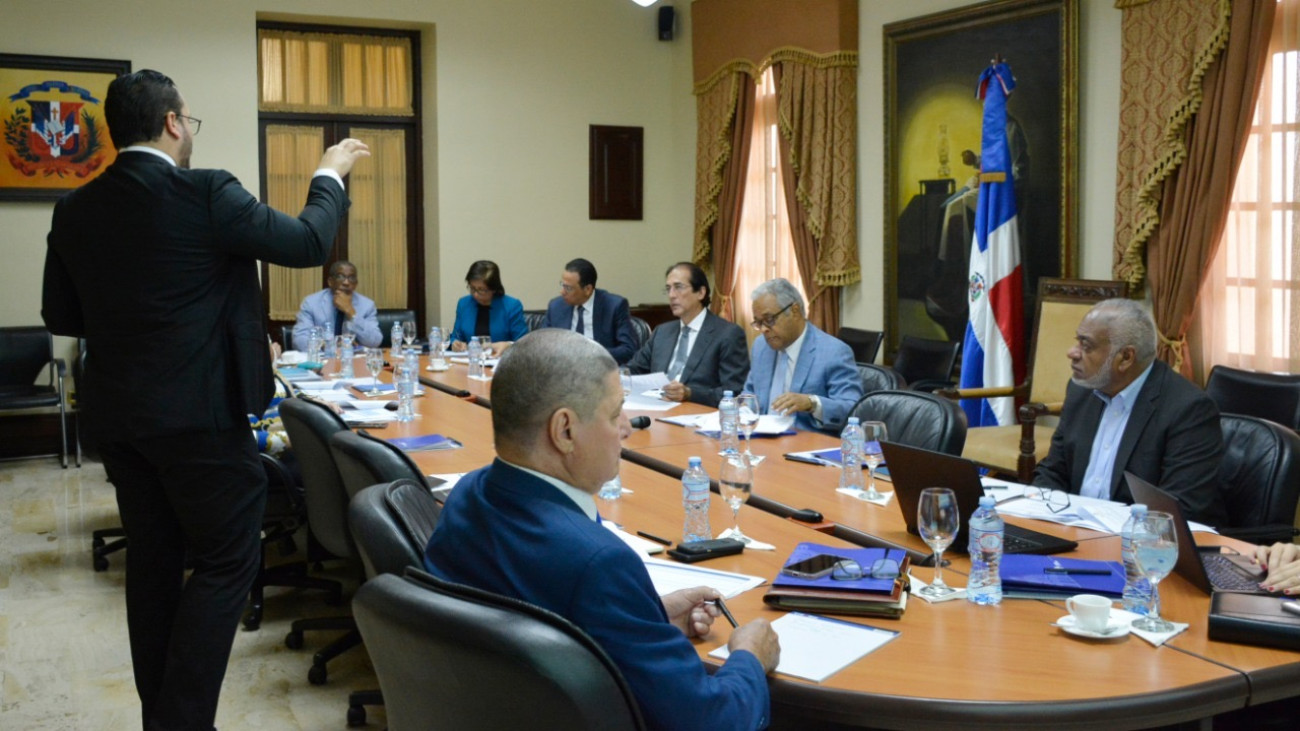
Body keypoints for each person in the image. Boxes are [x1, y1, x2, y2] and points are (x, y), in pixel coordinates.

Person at [41, 69, 368, 730]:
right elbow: (308, 241)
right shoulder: (207, 191)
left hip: (120, 421)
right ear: (171, 123)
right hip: (201, 420)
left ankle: (161, 718)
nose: (190, 131)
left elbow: (61, 314)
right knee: (227, 559)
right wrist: (330, 172)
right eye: (188, 120)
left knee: (154, 563)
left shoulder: (74, 208)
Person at [424, 329, 779, 731]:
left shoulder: (466, 494)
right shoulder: (599, 564)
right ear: (565, 431)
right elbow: (713, 722)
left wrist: (647, 616)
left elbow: (538, 612)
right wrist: (749, 656)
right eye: (614, 414)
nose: (627, 428)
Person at [1033, 298, 1228, 527]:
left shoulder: (1188, 409)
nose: (1072, 353)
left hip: (1137, 539)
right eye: (1078, 342)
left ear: (1125, 357)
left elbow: (1178, 510)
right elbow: (1053, 470)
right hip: (1073, 530)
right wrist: (1043, 517)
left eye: (1086, 346)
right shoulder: (1081, 390)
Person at [742, 278, 862, 432]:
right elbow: (750, 393)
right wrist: (742, 409)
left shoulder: (833, 352)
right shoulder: (761, 347)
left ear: (795, 311)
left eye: (769, 320)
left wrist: (812, 403)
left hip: (805, 440)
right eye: (758, 323)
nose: (764, 329)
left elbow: (852, 409)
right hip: (759, 438)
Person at [627, 262, 748, 407]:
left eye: (679, 287)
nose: (671, 295)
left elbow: (734, 391)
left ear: (701, 292)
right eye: (668, 289)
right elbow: (634, 369)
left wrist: (690, 393)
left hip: (695, 411)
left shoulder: (728, 334)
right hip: (654, 406)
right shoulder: (662, 332)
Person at [542, 257, 638, 364]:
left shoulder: (614, 306)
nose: (562, 292)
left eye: (568, 288)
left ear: (588, 289)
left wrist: (591, 355)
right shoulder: (556, 306)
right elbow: (542, 345)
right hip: (563, 369)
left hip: (600, 368)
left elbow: (628, 350)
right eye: (562, 285)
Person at [291, 260, 382, 348]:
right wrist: (329, 346)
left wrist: (351, 312)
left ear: (356, 284)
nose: (346, 282)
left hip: (353, 357)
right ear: (330, 281)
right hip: (323, 357)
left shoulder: (367, 305)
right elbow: (299, 340)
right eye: (340, 276)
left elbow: (375, 342)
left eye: (351, 278)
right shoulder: (311, 303)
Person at [449, 259, 528, 356]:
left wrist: (508, 345)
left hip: (501, 361)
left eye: (482, 290)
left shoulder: (512, 306)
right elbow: (456, 337)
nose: (476, 294)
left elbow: (525, 344)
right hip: (470, 361)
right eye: (472, 288)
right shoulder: (464, 304)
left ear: (494, 288)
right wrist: (455, 344)